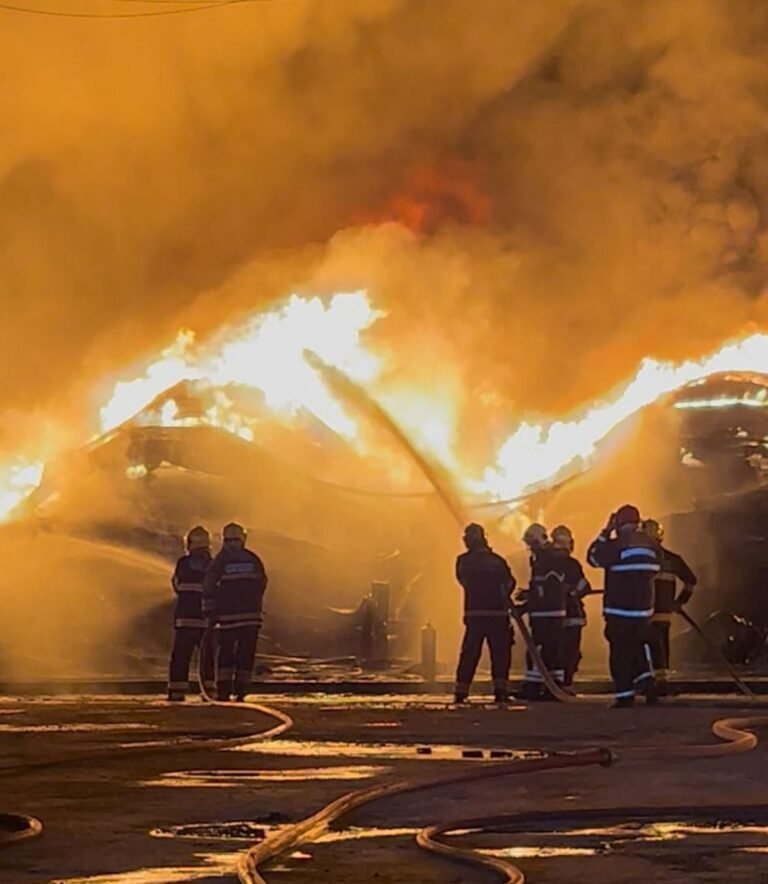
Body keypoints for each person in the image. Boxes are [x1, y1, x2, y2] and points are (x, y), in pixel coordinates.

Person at [588, 504, 660, 708]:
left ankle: (624, 696)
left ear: (618, 522)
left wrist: (605, 532)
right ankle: (647, 683)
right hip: (644, 612)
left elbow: (593, 557)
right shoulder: (650, 545)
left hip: (619, 611)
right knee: (638, 648)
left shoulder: (616, 545)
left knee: (620, 654)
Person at [203, 522, 268, 702]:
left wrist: (209, 613)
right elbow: (262, 583)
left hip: (228, 618)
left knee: (226, 653)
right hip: (251, 617)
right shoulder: (253, 559)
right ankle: (241, 690)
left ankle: (224, 690)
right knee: (245, 654)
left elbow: (209, 587)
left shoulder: (220, 561)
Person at [454, 523, 516, 705]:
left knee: (470, 653)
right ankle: (501, 691)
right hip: (497, 614)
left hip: (474, 613)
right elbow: (510, 583)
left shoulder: (463, 561)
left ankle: (461, 691)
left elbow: (462, 581)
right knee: (500, 653)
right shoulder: (497, 561)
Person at [642, 518, 698, 694]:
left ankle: (647, 683)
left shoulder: (637, 558)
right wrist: (678, 602)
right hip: (662, 613)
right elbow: (691, 581)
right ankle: (660, 683)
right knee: (660, 645)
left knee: (640, 646)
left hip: (641, 611)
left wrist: (679, 602)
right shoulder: (673, 560)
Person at [167, 526, 215, 702]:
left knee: (181, 656)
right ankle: (209, 690)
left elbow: (177, 585)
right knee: (207, 658)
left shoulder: (184, 563)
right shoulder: (213, 564)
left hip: (185, 619)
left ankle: (176, 691)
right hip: (206, 620)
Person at [519, 523, 566, 699]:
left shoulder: (548, 559)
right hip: (544, 613)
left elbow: (547, 590)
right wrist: (528, 599)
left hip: (548, 614)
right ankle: (547, 686)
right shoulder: (542, 558)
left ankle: (542, 687)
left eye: (532, 543)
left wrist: (528, 601)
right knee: (545, 651)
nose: (530, 548)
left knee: (542, 651)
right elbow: (540, 589)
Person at [550, 525, 593, 687]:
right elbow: (584, 587)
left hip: (553, 616)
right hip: (573, 615)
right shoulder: (571, 564)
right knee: (570, 651)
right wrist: (572, 593)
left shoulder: (546, 562)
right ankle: (566, 683)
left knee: (555, 650)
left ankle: (557, 683)